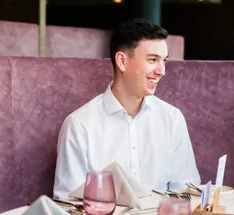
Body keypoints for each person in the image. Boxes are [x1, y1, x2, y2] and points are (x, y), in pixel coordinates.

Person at [53, 18, 200, 199]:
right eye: (153, 60)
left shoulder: (172, 118)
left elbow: (186, 192)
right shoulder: (79, 125)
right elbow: (68, 205)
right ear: (122, 61)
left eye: (164, 61)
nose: (162, 71)